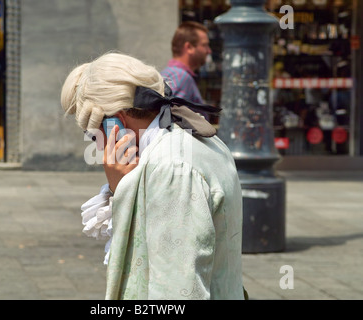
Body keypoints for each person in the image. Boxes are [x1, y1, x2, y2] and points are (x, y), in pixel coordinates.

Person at [61, 52, 244, 300]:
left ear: (114, 122)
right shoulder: (201, 141)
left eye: (93, 135)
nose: (97, 146)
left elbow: (178, 290)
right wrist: (122, 187)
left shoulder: (169, 168)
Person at [161, 21, 212, 105]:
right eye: (204, 45)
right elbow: (169, 115)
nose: (209, 51)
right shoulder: (181, 77)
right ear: (189, 47)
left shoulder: (169, 73)